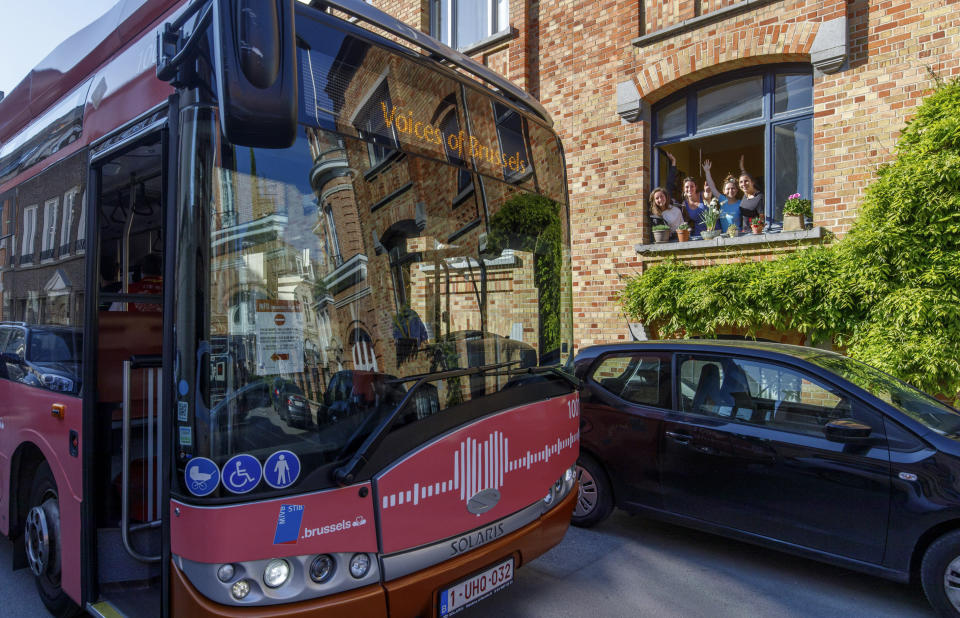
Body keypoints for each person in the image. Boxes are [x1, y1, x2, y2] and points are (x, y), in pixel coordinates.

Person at [649, 151, 688, 235]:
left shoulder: (676, 210)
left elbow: (670, 182)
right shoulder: (654, 215)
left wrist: (673, 162)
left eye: (662, 196)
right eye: (657, 198)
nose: (660, 199)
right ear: (654, 201)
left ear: (666, 197)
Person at [703, 159, 742, 231]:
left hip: (737, 237)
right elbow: (712, 186)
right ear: (723, 191)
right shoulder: (722, 200)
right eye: (728, 189)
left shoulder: (741, 203)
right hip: (724, 238)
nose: (730, 191)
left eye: (733, 188)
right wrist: (707, 171)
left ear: (737, 190)